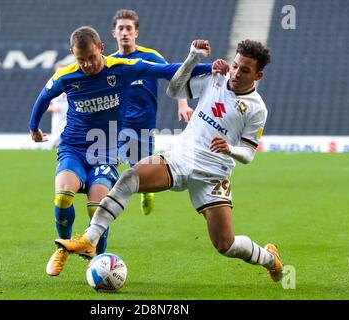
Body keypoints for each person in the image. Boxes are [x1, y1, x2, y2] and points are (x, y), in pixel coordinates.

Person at [57, 39, 285, 282]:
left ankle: (270, 259)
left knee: (225, 244)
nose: (236, 73)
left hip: (213, 175)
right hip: (180, 158)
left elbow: (248, 154)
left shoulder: (256, 108)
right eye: (236, 65)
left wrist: (230, 149)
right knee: (131, 176)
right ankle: (89, 240)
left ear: (258, 75)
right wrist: (193, 58)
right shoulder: (215, 77)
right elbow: (174, 90)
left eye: (245, 70)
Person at [28, 26, 213, 276]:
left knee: (97, 208)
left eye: (92, 57)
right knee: (62, 196)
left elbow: (167, 70)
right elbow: (43, 98)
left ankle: (99, 260)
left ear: (101, 49)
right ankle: (62, 247)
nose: (87, 65)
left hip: (104, 151)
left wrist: (211, 68)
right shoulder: (67, 75)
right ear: (74, 55)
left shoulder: (121, 68)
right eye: (81, 60)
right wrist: (34, 129)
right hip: (72, 148)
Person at [111, 9, 194, 216]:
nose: (124, 33)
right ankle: (104, 205)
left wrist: (182, 105)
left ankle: (146, 193)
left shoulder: (150, 57)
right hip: (118, 126)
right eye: (120, 28)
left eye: (128, 28)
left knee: (140, 170)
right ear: (114, 33)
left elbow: (175, 77)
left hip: (144, 127)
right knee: (111, 162)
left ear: (136, 33)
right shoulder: (110, 62)